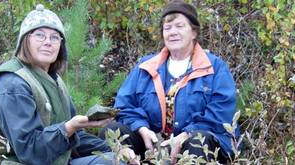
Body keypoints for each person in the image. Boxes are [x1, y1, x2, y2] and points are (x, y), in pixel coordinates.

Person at [0, 4, 137, 165]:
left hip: (53, 159)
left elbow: (76, 138)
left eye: (54, 37)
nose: (48, 42)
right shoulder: (12, 84)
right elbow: (29, 151)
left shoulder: (53, 80)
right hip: (15, 161)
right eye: (39, 35)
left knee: (117, 160)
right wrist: (67, 128)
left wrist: (115, 150)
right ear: (25, 40)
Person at [100, 0, 240, 163]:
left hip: (195, 145)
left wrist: (186, 135)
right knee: (112, 131)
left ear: (193, 32)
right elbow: (124, 105)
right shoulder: (145, 67)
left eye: (179, 26)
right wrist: (142, 128)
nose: (172, 32)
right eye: (167, 27)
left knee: (198, 140)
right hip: (152, 146)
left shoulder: (215, 67)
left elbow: (220, 113)